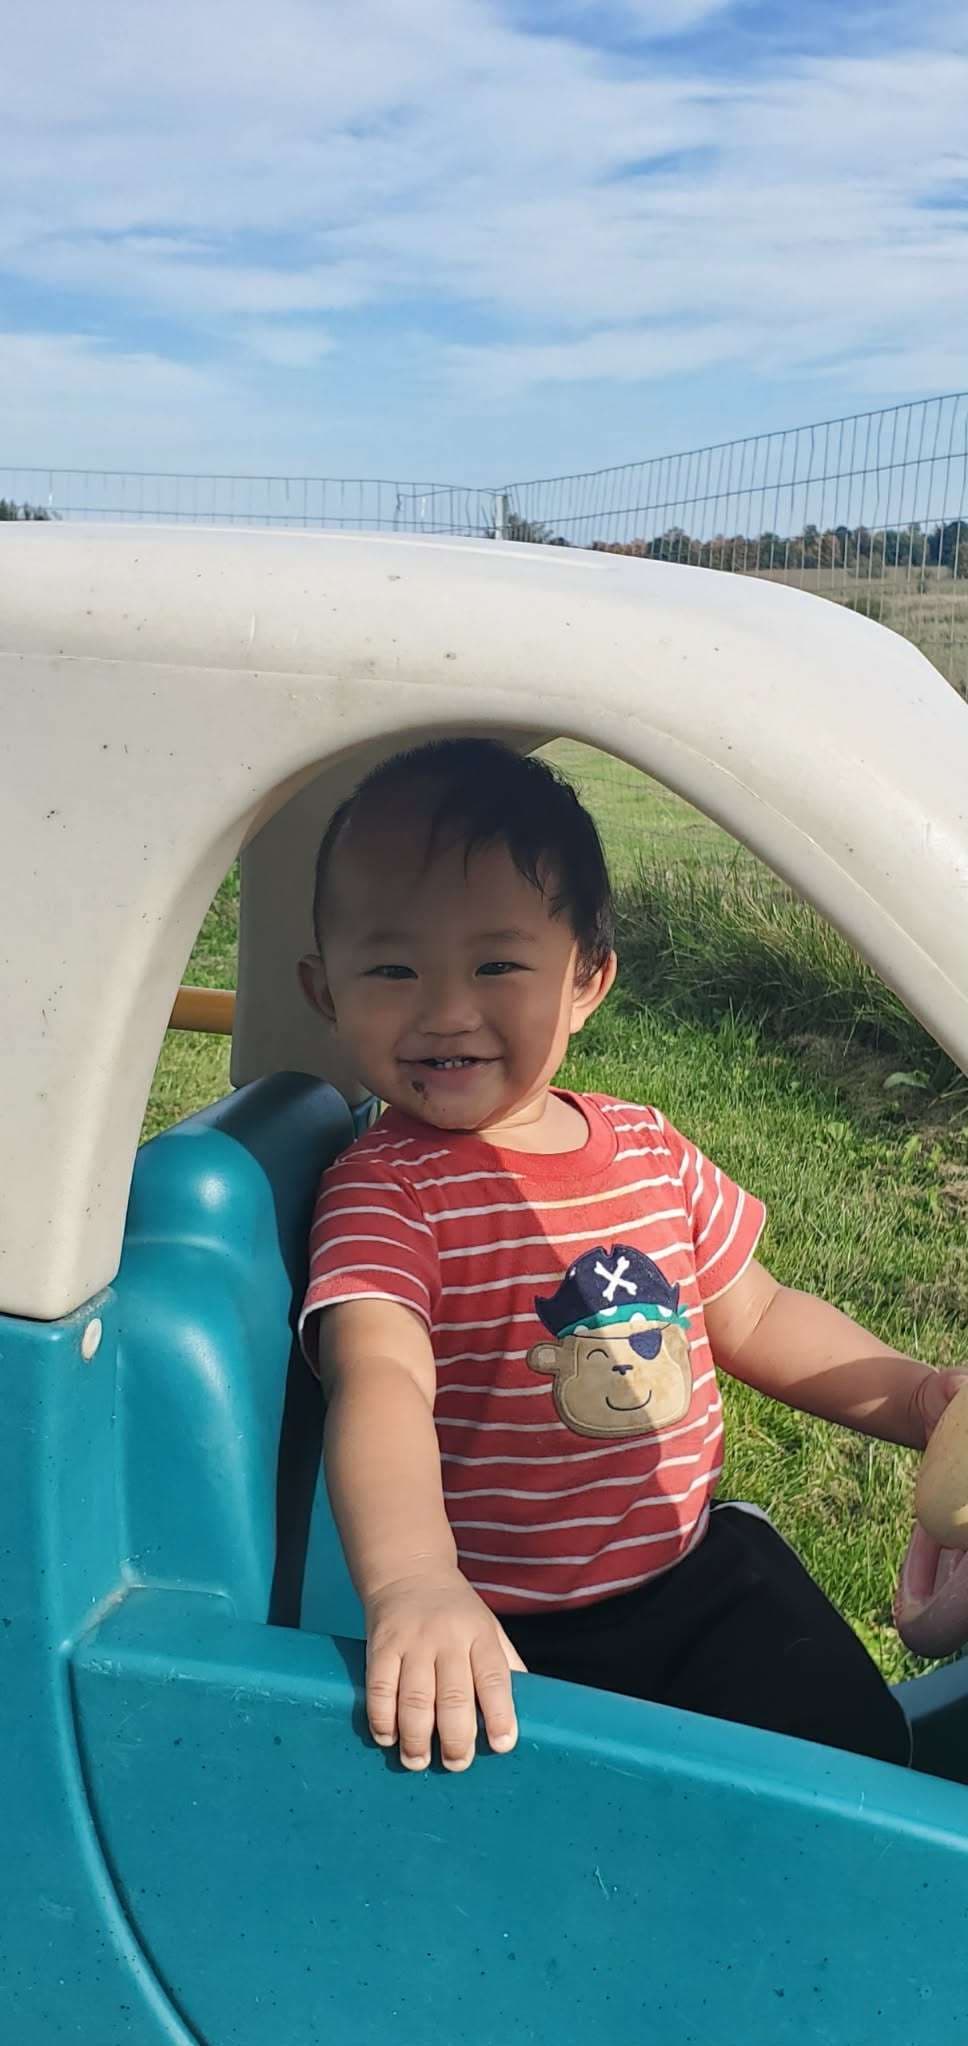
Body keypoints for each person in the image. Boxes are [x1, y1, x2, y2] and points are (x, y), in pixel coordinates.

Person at [298, 737, 963, 1776]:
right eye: (392, 968)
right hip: (509, 1624)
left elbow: (757, 1314)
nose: (446, 1010)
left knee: (856, 1751)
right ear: (324, 990)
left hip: (692, 1568)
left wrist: (916, 1397)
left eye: (496, 965)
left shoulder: (647, 1147)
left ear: (586, 980)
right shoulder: (387, 1195)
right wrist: (416, 1582)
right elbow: (379, 1376)